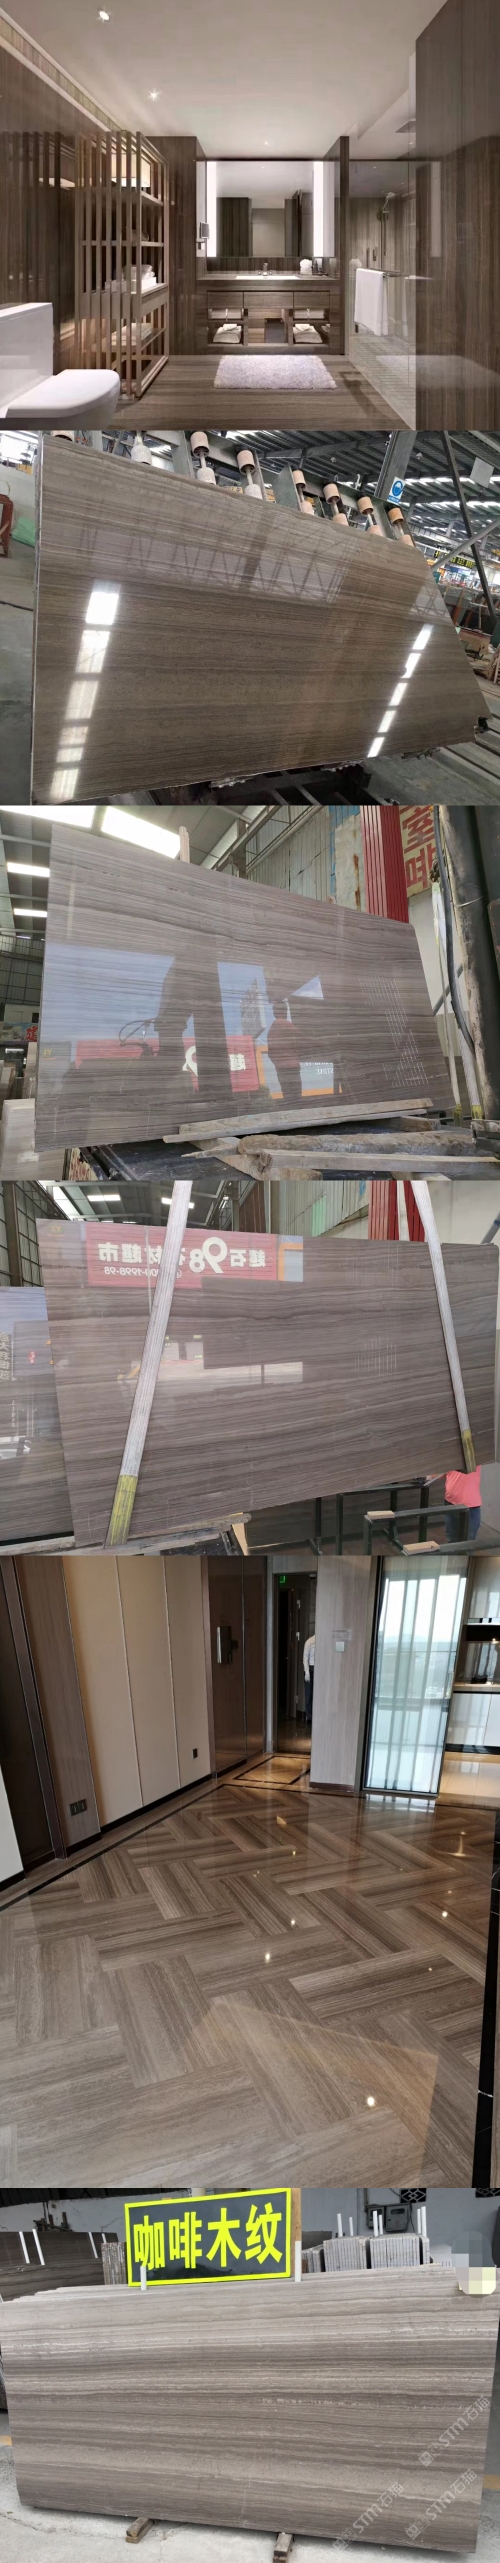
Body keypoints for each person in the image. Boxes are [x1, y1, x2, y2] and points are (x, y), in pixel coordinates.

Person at [266, 998, 303, 1109]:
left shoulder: (271, 1030)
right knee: (296, 1096)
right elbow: (302, 1036)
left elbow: (270, 1053)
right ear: (283, 1011)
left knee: (288, 1095)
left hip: (281, 1068)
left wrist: (278, 1062)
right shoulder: (283, 1023)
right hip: (292, 1066)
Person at [444, 1464, 482, 1544]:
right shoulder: (449, 1459)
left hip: (471, 1506)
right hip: (450, 1503)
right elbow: (438, 1474)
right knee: (451, 1539)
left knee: (468, 1542)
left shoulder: (474, 1458)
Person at [303, 1631, 315, 1725]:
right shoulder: (309, 1642)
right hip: (310, 1668)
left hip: (318, 1668)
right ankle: (309, 1717)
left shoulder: (323, 1642)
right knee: (309, 1694)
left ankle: (316, 1715)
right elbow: (305, 1658)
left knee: (317, 1694)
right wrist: (307, 1672)